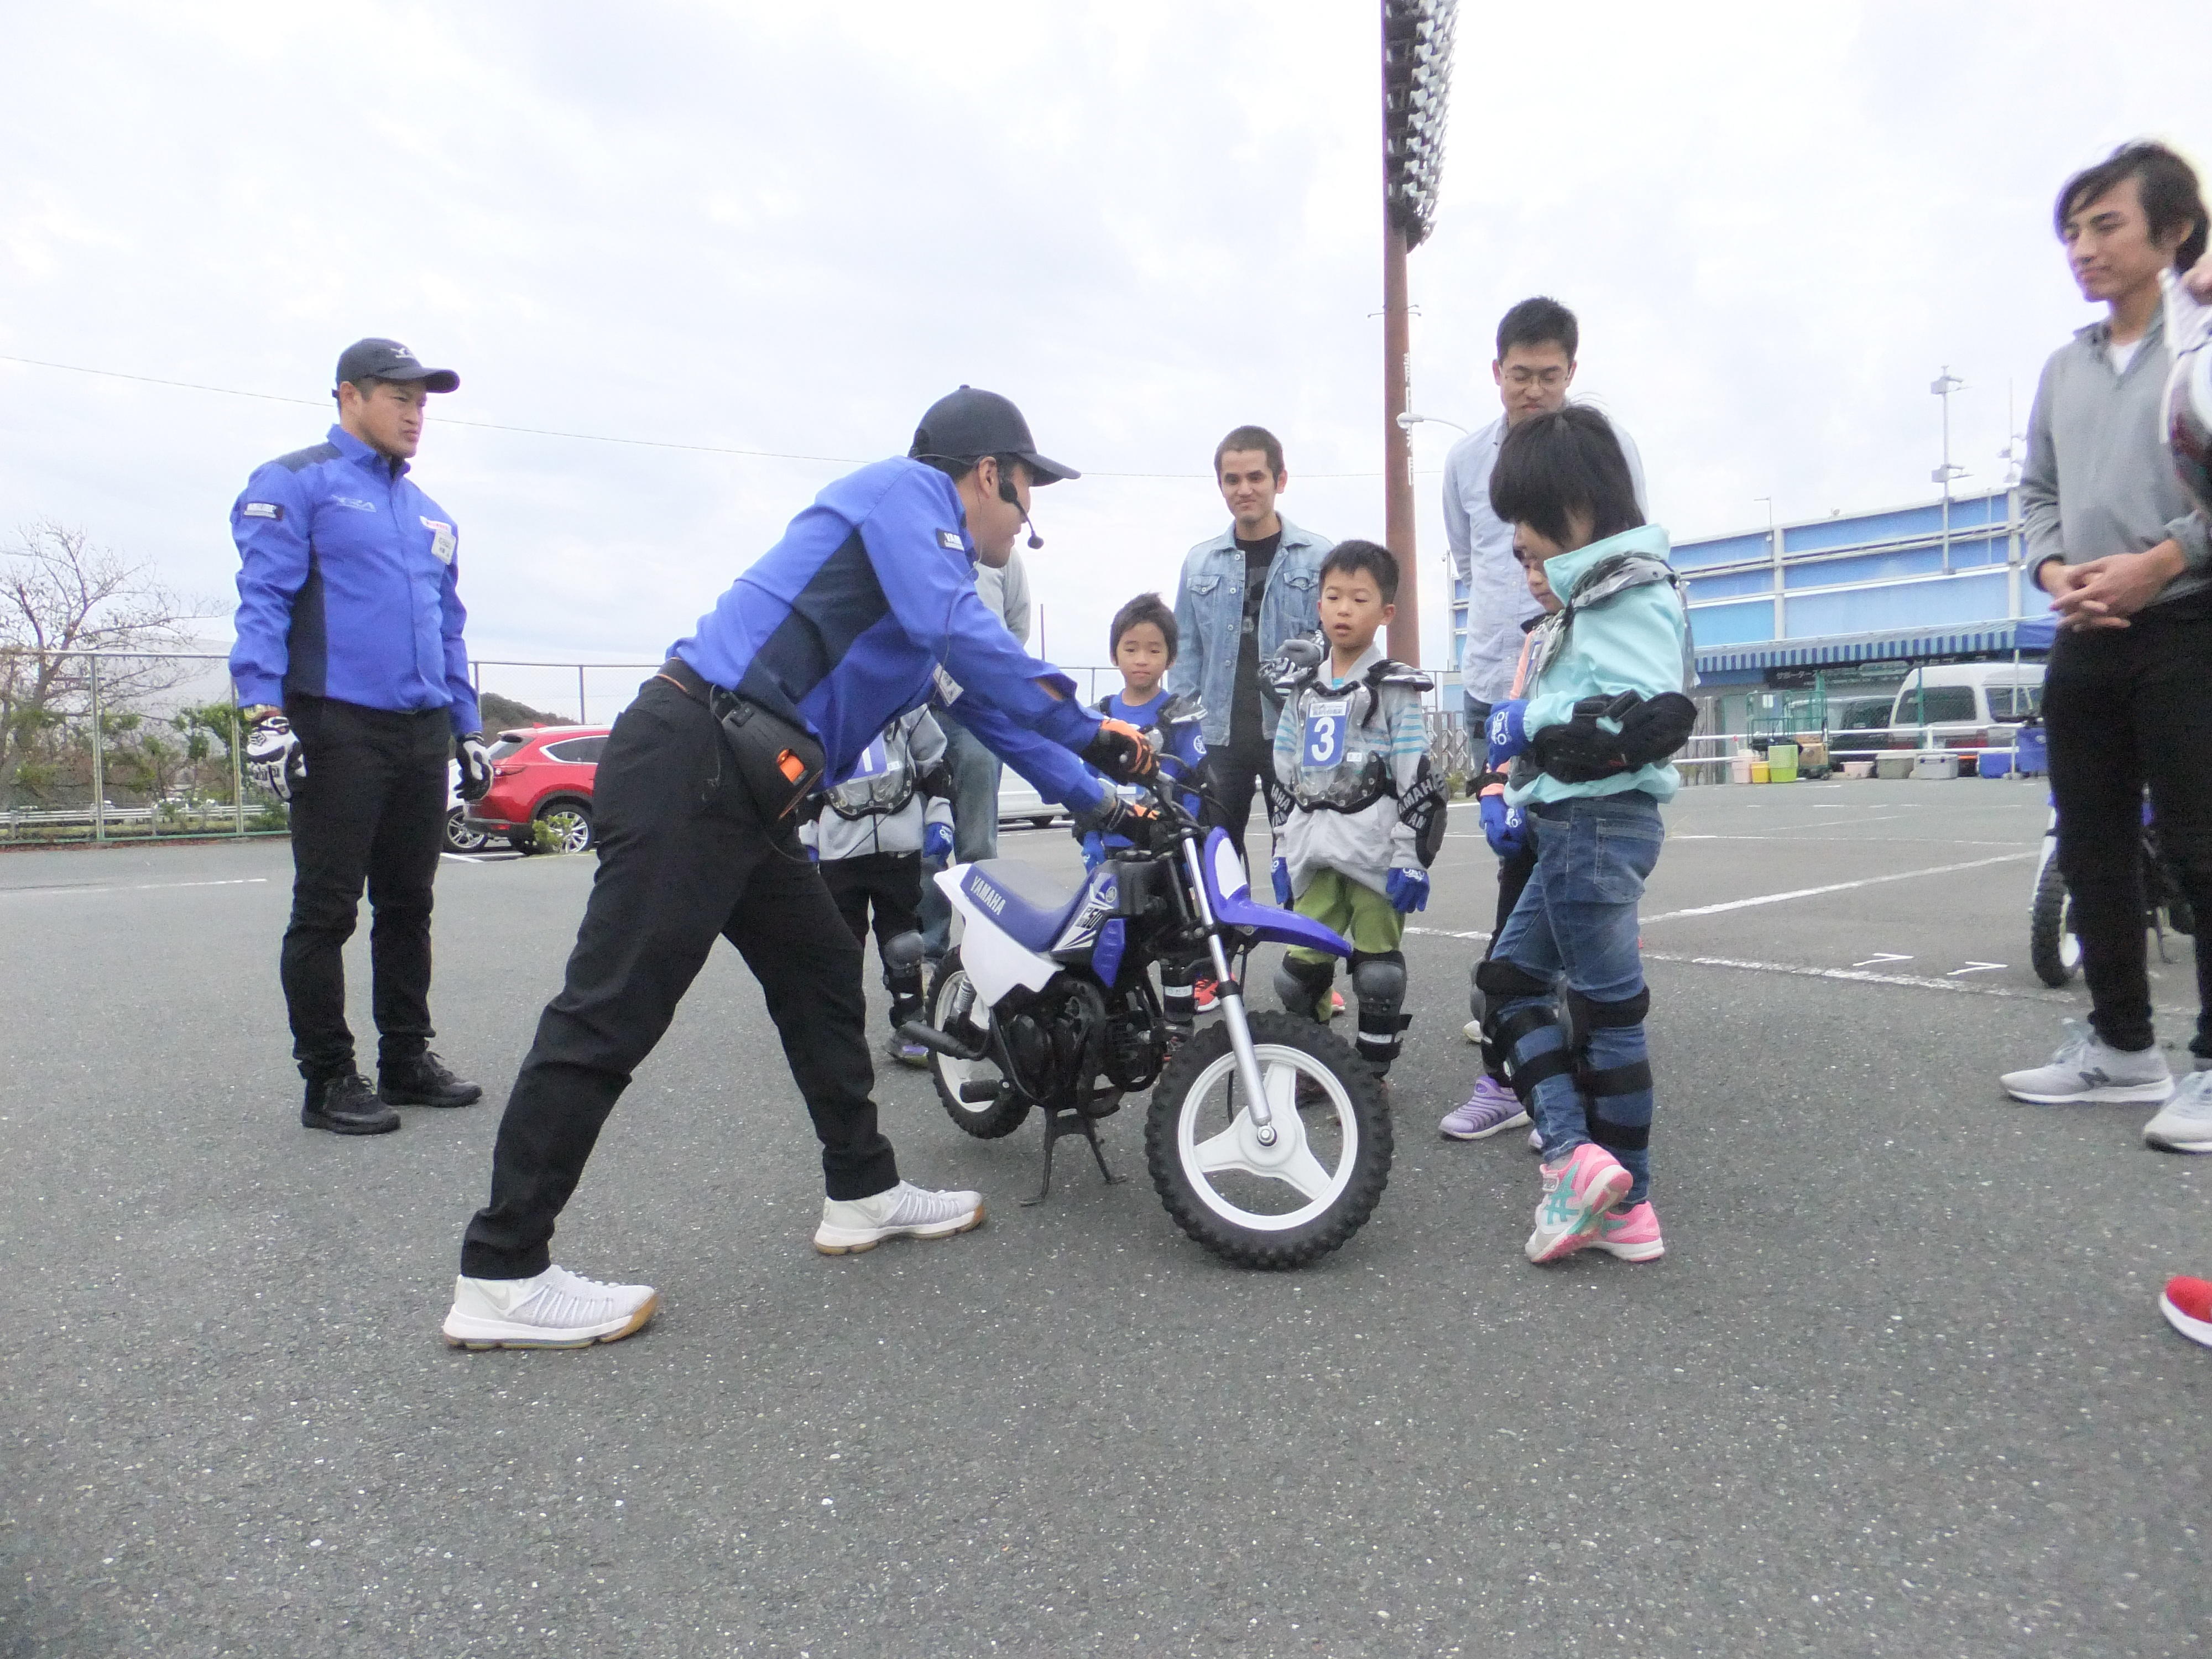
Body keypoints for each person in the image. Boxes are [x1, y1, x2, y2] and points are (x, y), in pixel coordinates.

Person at [440, 388, 1159, 1350]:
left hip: (744, 788)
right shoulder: (906, 498)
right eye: (1027, 494)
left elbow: (990, 714)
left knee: (822, 973)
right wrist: (1092, 723)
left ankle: (860, 1191)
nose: (1027, 517)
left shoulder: (914, 607)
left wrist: (1108, 798)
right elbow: (973, 645)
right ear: (987, 473)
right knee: (610, 1009)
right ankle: (502, 1270)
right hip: (692, 761)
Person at [1997, 143, 2212, 1140]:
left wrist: (2160, 561)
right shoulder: (2062, 366)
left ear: (2173, 231)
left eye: (2106, 225)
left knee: (2203, 848)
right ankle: (2124, 1046)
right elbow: (2035, 491)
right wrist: (2053, 573)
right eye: (2072, 232)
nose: (2082, 248)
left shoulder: (2202, 348)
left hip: (2188, 621)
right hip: (2084, 631)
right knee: (2092, 847)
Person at [228, 338, 490, 1138]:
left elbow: (448, 629)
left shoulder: (431, 514)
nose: (416, 415)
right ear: (349, 396)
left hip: (418, 733)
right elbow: (264, 600)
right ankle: (330, 1078)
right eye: (399, 397)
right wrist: (262, 715)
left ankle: (407, 1058)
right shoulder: (296, 481)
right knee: (327, 910)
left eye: (423, 402)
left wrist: (467, 728)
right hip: (336, 722)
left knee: (410, 903)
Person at [1472, 405, 1695, 1265]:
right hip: (1574, 824)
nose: (1525, 561)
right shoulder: (1592, 595)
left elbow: (1643, 711)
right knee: (1510, 983)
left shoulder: (1629, 588)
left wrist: (1529, 717)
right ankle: (1578, 1159)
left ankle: (1624, 1199)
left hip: (1601, 825)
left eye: (1531, 542)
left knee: (1607, 1012)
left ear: (1577, 509)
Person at [1264, 540, 1443, 1079]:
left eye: (1358, 598)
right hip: (1313, 852)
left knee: (1378, 976)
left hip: (1373, 854)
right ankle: (1314, 1071)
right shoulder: (1301, 690)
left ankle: (1368, 1081)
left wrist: (1411, 854)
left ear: (1385, 613)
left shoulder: (1395, 688)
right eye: (1333, 596)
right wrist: (1280, 850)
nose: (1343, 609)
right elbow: (1284, 775)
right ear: (1318, 605)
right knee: (1298, 975)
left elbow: (1416, 771)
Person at [1443, 298, 1648, 748]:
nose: (1533, 389)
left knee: (1567, 814)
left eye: (1548, 376)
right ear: (1498, 372)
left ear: (1571, 372)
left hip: (1577, 684)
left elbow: (1633, 556)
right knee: (1497, 812)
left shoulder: (1610, 448)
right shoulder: (1465, 461)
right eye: (1521, 375)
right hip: (1491, 679)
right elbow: (1470, 564)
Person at [1439, 538, 1559, 1141]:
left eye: (1546, 561)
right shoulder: (1535, 636)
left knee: (1590, 976)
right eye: (1527, 563)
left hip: (1589, 828)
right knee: (1506, 961)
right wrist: (1492, 790)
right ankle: (1504, 1085)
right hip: (1533, 817)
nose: (1533, 577)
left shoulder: (1610, 626)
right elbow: (1510, 727)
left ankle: (1572, 1101)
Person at [1168, 425, 1332, 855]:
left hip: (1293, 732)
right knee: (1215, 856)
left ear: (1280, 481)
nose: (1244, 489)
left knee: (1301, 855)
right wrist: (1184, 732)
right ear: (1221, 485)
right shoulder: (1199, 562)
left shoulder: (1319, 557)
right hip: (1219, 737)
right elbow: (1185, 652)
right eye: (1232, 479)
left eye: (1256, 477)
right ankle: (1229, 928)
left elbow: (1333, 643)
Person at [1078, 593, 1209, 1024]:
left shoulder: (1180, 718)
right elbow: (1080, 790)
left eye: (1155, 650)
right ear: (1114, 654)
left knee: (1177, 948)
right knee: (1111, 949)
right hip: (1110, 858)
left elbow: (1195, 788)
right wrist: (1092, 846)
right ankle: (1120, 1029)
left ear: (1171, 658)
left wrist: (1190, 861)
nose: (1142, 659)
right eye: (1131, 648)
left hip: (1165, 858)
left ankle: (1177, 1031)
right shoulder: (1095, 720)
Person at [799, 707, 955, 1067]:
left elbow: (934, 764)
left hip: (899, 840)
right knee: (840, 942)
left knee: (904, 939)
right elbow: (806, 780)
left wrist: (939, 816)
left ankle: (911, 1021)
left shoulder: (908, 703)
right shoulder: (822, 705)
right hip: (840, 845)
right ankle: (840, 1032)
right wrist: (806, 839)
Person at [917, 546, 1031, 965]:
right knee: (923, 846)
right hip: (918, 711)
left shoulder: (1001, 551)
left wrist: (982, 674)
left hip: (978, 717)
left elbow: (1017, 625)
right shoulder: (921, 542)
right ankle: (929, 951)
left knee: (978, 843)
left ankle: (984, 946)